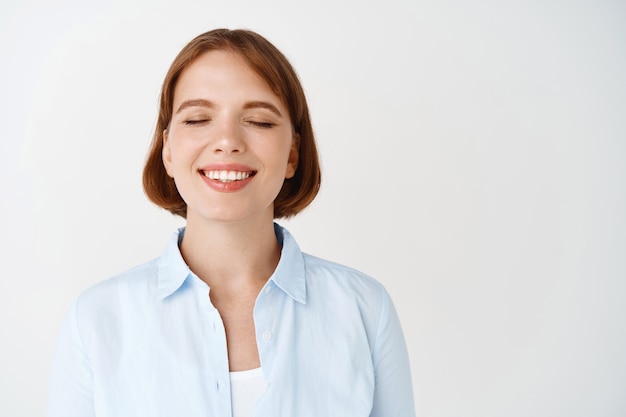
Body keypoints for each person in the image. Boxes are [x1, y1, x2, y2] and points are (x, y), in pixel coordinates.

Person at [47, 28, 415, 417]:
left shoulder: (364, 311)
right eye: (198, 119)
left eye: (258, 121)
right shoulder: (96, 320)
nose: (227, 141)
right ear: (168, 150)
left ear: (293, 154)